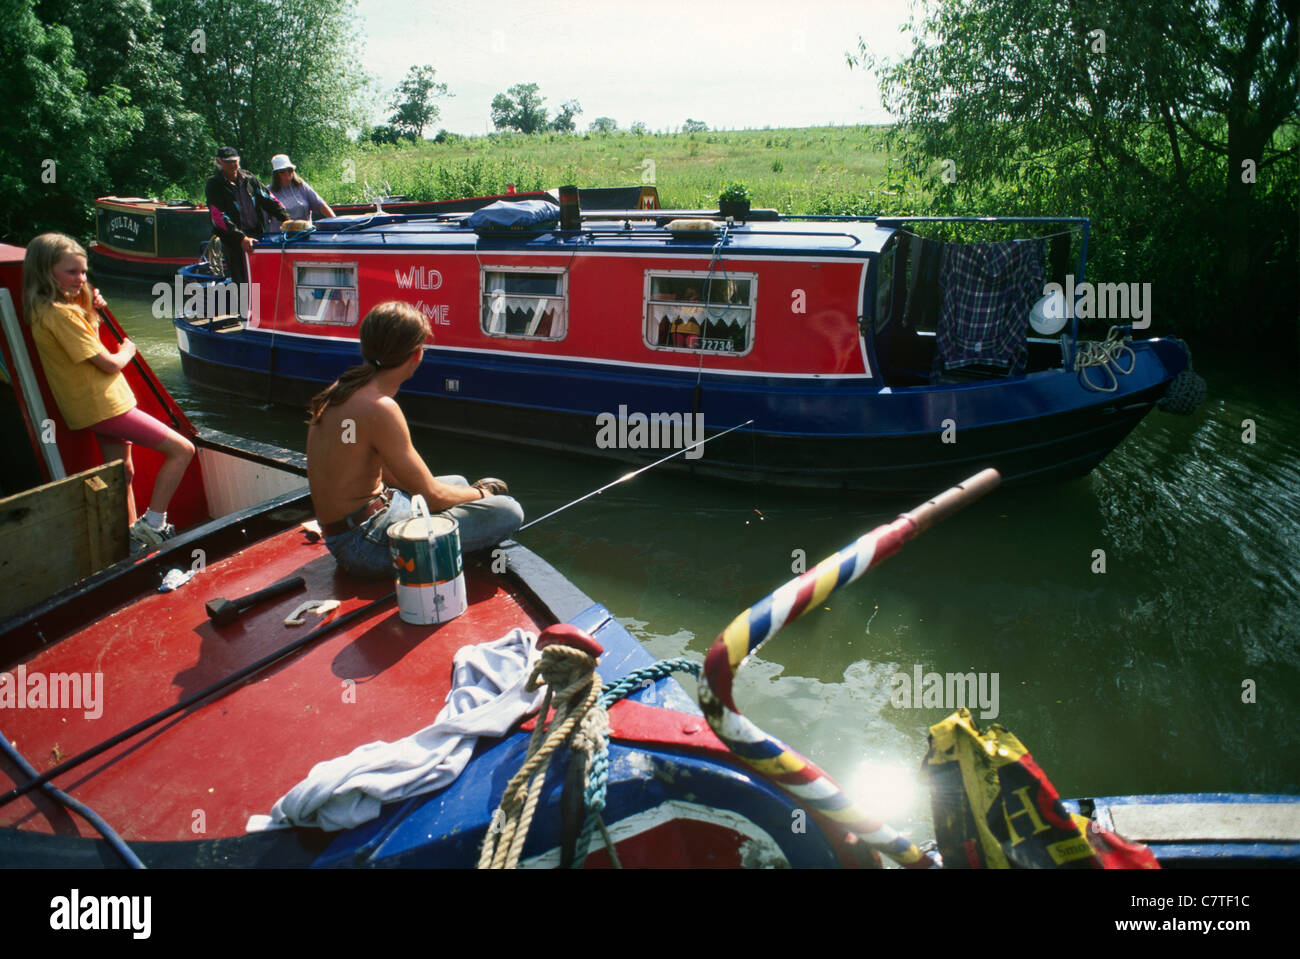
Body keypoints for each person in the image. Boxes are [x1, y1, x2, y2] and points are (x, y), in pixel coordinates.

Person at [306, 301, 523, 578]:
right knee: (508, 510)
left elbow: (375, 470)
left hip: (347, 530)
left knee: (456, 481)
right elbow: (432, 496)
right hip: (365, 545)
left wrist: (464, 495)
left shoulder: (342, 390)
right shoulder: (380, 408)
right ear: (417, 355)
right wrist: (483, 495)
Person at [23, 233, 196, 550]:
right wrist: (127, 350)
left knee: (122, 472)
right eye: (72, 272)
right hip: (105, 407)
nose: (81, 279)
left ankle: (132, 536)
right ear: (47, 271)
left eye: (84, 272)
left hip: (97, 406)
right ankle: (154, 523)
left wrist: (89, 302)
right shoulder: (61, 314)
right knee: (182, 449)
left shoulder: (48, 309)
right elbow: (107, 363)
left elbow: (84, 337)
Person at [204, 146, 288, 287]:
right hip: (234, 243)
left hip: (257, 236)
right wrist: (241, 238)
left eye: (234, 161)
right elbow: (218, 217)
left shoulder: (250, 179)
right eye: (227, 161)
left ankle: (260, 307)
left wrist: (287, 219)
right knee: (242, 284)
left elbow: (269, 199)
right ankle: (245, 308)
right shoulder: (214, 185)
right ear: (219, 162)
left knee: (261, 280)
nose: (232, 164)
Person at [267, 154, 334, 230]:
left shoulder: (302, 186)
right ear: (276, 174)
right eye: (282, 171)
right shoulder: (268, 192)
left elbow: (321, 206)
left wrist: (336, 224)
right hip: (279, 238)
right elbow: (262, 217)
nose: (287, 173)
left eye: (289, 169)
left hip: (305, 235)